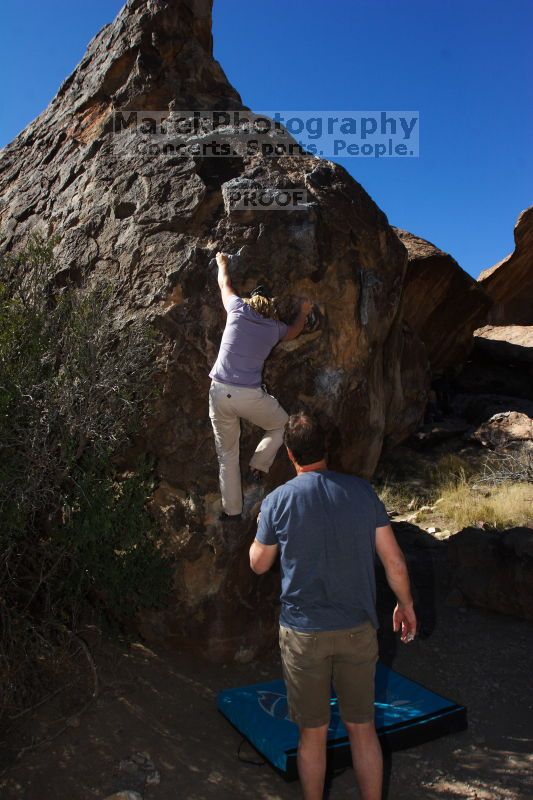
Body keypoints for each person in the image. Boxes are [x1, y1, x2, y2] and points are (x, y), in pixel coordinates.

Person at [249, 413, 417, 800]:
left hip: (304, 633)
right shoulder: (361, 493)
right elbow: (394, 562)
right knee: (363, 727)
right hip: (357, 629)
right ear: (327, 448)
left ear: (289, 453)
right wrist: (405, 604)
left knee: (312, 734)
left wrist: (262, 523)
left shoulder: (278, 501)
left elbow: (259, 564)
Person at [209, 252, 312, 521]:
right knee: (282, 424)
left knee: (227, 455)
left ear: (250, 301)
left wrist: (222, 263)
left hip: (220, 391)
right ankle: (259, 463)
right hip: (249, 395)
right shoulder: (273, 328)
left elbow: (224, 284)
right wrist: (303, 311)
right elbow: (295, 330)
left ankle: (232, 511)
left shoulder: (237, 310)